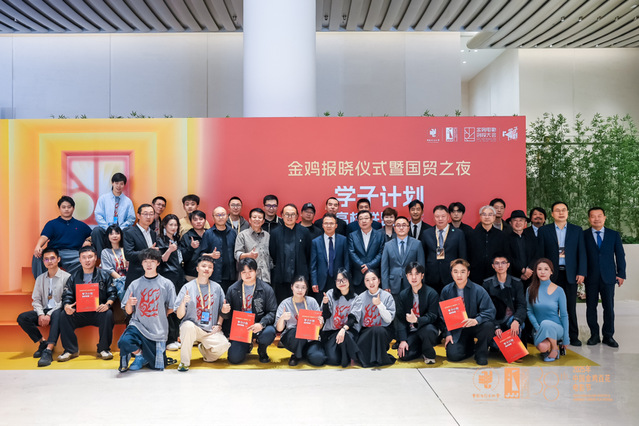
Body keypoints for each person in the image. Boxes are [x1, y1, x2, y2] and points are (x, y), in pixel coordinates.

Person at [118, 248, 177, 372]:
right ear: (142, 263)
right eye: (145, 261)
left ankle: (147, 358)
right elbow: (128, 311)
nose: (148, 264)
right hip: (138, 325)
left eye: (152, 261)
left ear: (158, 263)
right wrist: (129, 303)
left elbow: (172, 307)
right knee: (124, 342)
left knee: (157, 367)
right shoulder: (134, 284)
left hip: (157, 330)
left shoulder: (166, 284)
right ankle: (139, 356)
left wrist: (161, 314)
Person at [537, 201, 586, 346]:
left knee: (570, 307)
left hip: (570, 274)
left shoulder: (577, 230)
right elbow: (541, 254)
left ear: (567, 213)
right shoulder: (544, 231)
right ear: (552, 214)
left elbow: (582, 253)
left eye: (563, 210)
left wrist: (581, 272)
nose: (561, 213)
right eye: (557, 210)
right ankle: (553, 335)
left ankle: (572, 336)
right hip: (552, 275)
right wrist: (542, 273)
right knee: (551, 308)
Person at [57, 246, 116, 363]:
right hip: (80, 312)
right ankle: (70, 350)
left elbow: (112, 293)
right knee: (64, 314)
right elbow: (67, 295)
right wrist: (67, 306)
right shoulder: (73, 276)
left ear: (95, 258)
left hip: (98, 311)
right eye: (84, 257)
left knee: (108, 314)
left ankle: (103, 349)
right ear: (80, 259)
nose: (87, 260)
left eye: (90, 257)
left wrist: (107, 305)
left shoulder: (104, 275)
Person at [174, 255, 231, 371]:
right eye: (203, 266)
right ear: (197, 268)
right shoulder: (187, 287)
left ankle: (203, 349)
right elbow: (179, 315)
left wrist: (219, 323)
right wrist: (183, 302)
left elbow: (222, 310)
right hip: (193, 328)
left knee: (224, 345)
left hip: (210, 330)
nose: (206, 269)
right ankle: (184, 362)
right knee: (187, 326)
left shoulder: (217, 288)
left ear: (213, 270)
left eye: (210, 267)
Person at [17, 248, 71, 367]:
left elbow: (65, 300)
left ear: (58, 259)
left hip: (58, 310)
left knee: (58, 314)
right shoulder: (40, 278)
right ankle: (42, 342)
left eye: (52, 258)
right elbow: (36, 299)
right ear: (43, 262)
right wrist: (41, 314)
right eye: (46, 259)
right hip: (43, 310)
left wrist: (49, 314)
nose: (49, 261)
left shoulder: (67, 277)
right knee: (22, 318)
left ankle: (48, 350)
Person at [583, 207, 626, 347]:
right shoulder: (584, 235)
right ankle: (594, 335)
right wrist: (581, 273)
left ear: (604, 217)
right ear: (589, 219)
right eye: (593, 216)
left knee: (609, 307)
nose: (596, 219)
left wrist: (621, 274)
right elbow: (581, 256)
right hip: (590, 277)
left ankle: (608, 335)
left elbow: (620, 255)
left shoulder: (614, 234)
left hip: (609, 277)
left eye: (599, 216)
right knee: (591, 307)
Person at [440, 259, 496, 366]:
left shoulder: (478, 290)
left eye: (463, 271)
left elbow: (490, 310)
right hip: (457, 329)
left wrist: (477, 320)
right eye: (455, 271)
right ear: (451, 273)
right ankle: (470, 347)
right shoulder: (446, 291)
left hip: (475, 325)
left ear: (468, 273)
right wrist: (448, 334)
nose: (459, 275)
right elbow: (442, 315)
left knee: (488, 325)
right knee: (453, 356)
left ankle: (481, 353)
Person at [225, 258, 278, 364]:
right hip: (241, 328)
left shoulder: (266, 289)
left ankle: (262, 349)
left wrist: (261, 324)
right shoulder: (233, 289)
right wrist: (224, 311)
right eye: (244, 272)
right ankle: (247, 345)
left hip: (259, 326)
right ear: (240, 273)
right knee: (234, 358)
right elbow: (227, 316)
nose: (247, 275)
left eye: (250, 271)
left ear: (256, 271)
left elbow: (273, 312)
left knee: (269, 332)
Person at [32, 196, 92, 278]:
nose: (66, 209)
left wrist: (88, 240)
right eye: (63, 207)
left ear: (73, 208)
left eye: (69, 207)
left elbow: (92, 235)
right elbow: (44, 236)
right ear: (59, 209)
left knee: (84, 258)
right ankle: (42, 282)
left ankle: (69, 282)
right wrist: (38, 246)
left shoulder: (81, 225)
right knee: (37, 255)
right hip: (54, 252)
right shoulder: (52, 224)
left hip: (73, 254)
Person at [275, 277, 326, 366]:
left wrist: (320, 322)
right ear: (292, 287)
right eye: (297, 287)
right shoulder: (285, 303)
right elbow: (279, 329)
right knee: (298, 332)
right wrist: (282, 318)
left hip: (310, 338)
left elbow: (319, 327)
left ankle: (302, 353)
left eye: (303, 287)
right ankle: (296, 355)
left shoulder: (312, 302)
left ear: (306, 289)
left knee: (318, 359)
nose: (300, 290)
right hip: (293, 337)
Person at [396, 263, 440, 364]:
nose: (414, 277)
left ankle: (428, 353)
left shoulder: (432, 293)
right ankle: (421, 348)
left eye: (417, 274)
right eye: (410, 274)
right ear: (406, 276)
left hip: (428, 329)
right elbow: (400, 319)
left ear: (422, 275)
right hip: (412, 332)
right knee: (404, 356)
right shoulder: (403, 295)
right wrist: (403, 340)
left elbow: (433, 316)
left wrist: (417, 320)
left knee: (427, 330)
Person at [526, 258, 570, 362]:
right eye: (539, 269)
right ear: (536, 272)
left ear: (551, 272)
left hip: (556, 328)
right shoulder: (530, 290)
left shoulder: (559, 290)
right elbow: (529, 311)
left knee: (546, 323)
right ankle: (550, 346)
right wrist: (538, 327)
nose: (542, 272)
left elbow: (564, 315)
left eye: (546, 269)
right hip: (539, 328)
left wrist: (566, 337)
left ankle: (554, 348)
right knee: (542, 347)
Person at [482, 255, 526, 350]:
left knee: (519, 325)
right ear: (493, 266)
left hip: (511, 320)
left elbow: (521, 305)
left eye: (503, 263)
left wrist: (516, 320)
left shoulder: (517, 283)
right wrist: (496, 326)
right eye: (497, 263)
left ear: (508, 265)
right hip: (496, 320)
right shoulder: (487, 284)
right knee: (496, 347)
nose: (500, 266)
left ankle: (515, 350)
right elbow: (486, 309)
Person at [269, 204, 312, 303]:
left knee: (301, 304)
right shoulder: (275, 233)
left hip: (300, 277)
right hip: (282, 277)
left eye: (292, 214)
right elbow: (273, 253)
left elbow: (308, 253)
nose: (289, 217)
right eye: (287, 214)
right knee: (283, 304)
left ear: (297, 216)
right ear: (282, 216)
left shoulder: (304, 232)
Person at [353, 269, 396, 367]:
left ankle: (379, 358)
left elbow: (389, 319)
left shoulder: (387, 296)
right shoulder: (360, 298)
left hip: (383, 330)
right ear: (364, 282)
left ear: (379, 280)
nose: (371, 283)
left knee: (377, 330)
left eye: (373, 279)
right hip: (366, 331)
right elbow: (358, 321)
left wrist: (379, 304)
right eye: (367, 280)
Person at [320, 268, 362, 367]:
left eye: (344, 280)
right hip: (331, 332)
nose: (341, 283)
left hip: (348, 331)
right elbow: (326, 316)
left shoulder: (356, 298)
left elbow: (353, 319)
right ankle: (355, 355)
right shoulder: (329, 294)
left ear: (349, 280)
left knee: (346, 335)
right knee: (333, 361)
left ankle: (350, 357)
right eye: (338, 280)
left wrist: (343, 330)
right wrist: (325, 304)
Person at [421, 205, 467, 294]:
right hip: (431, 276)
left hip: (451, 275)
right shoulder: (426, 233)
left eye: (443, 216)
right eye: (437, 216)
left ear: (448, 217)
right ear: (433, 218)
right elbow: (423, 255)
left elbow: (462, 256)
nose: (440, 219)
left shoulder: (458, 233)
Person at [156, 214, 186, 351]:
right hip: (167, 277)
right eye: (171, 225)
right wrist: (169, 250)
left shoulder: (177, 239)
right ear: (165, 226)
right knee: (168, 308)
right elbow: (161, 259)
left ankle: (175, 337)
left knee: (177, 307)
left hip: (178, 276)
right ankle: (168, 339)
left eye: (175, 225)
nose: (173, 227)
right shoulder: (161, 240)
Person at [91, 173, 136, 255]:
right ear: (112, 183)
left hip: (121, 229)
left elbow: (131, 218)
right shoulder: (103, 198)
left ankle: (125, 257)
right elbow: (98, 214)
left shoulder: (128, 201)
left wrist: (120, 229)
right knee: (96, 231)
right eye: (116, 183)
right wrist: (108, 228)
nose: (119, 186)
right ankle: (102, 257)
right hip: (105, 228)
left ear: (124, 185)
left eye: (121, 184)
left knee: (130, 230)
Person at [381, 216, 425, 297]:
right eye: (398, 225)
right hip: (393, 284)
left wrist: (420, 283)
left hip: (412, 283)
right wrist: (385, 285)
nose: (401, 228)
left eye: (404, 225)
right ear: (394, 228)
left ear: (408, 228)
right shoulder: (388, 245)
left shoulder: (417, 244)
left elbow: (421, 265)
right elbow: (384, 267)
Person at [310, 213, 349, 302]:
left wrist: (346, 278)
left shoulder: (343, 240)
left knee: (339, 305)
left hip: (339, 279)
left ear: (336, 225)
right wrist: (314, 282)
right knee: (323, 306)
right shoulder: (316, 242)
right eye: (326, 223)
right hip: (322, 281)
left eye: (331, 223)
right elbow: (313, 265)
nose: (328, 226)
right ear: (322, 225)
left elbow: (346, 262)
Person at [467, 205, 509, 284]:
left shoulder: (501, 235)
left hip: (495, 273)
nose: (487, 217)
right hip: (475, 273)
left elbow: (506, 254)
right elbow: (467, 254)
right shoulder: (471, 234)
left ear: (494, 217)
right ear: (480, 216)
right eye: (484, 214)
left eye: (490, 214)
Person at [200, 206, 237, 292]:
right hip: (215, 276)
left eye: (223, 215)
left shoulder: (233, 232)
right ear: (213, 217)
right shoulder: (208, 234)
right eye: (218, 215)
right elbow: (201, 254)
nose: (221, 217)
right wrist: (211, 255)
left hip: (232, 276)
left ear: (227, 216)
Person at [347, 210, 385, 294]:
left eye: (366, 218)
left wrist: (369, 265)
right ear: (358, 221)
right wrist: (362, 266)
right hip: (358, 276)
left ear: (371, 220)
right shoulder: (352, 235)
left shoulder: (380, 235)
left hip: (375, 275)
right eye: (361, 219)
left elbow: (381, 253)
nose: (364, 221)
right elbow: (351, 252)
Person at [123, 204, 158, 290]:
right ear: (138, 215)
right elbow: (129, 254)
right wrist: (148, 251)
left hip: (151, 277)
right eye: (145, 214)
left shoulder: (153, 233)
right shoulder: (129, 232)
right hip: (136, 277)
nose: (148, 217)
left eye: (151, 214)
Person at [234, 208, 272, 284]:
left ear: (263, 221)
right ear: (250, 220)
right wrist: (248, 255)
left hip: (265, 277)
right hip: (248, 278)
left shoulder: (267, 236)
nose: (257, 219)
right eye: (254, 217)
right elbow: (237, 254)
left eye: (260, 217)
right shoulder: (242, 235)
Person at [506, 210, 538, 282]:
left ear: (525, 223)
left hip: (531, 274)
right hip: (513, 276)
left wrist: (529, 270)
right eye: (515, 220)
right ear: (510, 223)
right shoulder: (506, 239)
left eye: (521, 220)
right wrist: (522, 270)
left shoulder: (532, 238)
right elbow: (508, 257)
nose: (518, 223)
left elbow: (536, 255)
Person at [99, 224, 128, 297]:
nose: (114, 236)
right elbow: (109, 270)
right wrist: (122, 280)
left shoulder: (126, 249)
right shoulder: (105, 252)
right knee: (123, 288)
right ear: (108, 236)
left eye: (117, 233)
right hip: (114, 280)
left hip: (129, 278)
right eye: (111, 234)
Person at [179, 210, 207, 282]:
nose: (198, 222)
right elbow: (182, 257)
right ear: (191, 222)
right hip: (191, 275)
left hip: (208, 273)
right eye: (195, 220)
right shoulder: (186, 236)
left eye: (201, 219)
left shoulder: (210, 234)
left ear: (205, 221)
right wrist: (191, 248)